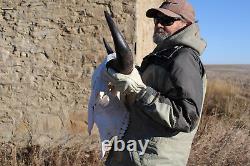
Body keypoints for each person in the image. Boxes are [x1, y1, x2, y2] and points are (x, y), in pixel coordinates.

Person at [104, 0, 207, 165]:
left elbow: (186, 117)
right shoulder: (164, 54)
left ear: (186, 24)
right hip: (136, 155)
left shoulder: (184, 58)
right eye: (156, 19)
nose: (159, 24)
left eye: (167, 20)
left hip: (153, 160)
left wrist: (140, 91)